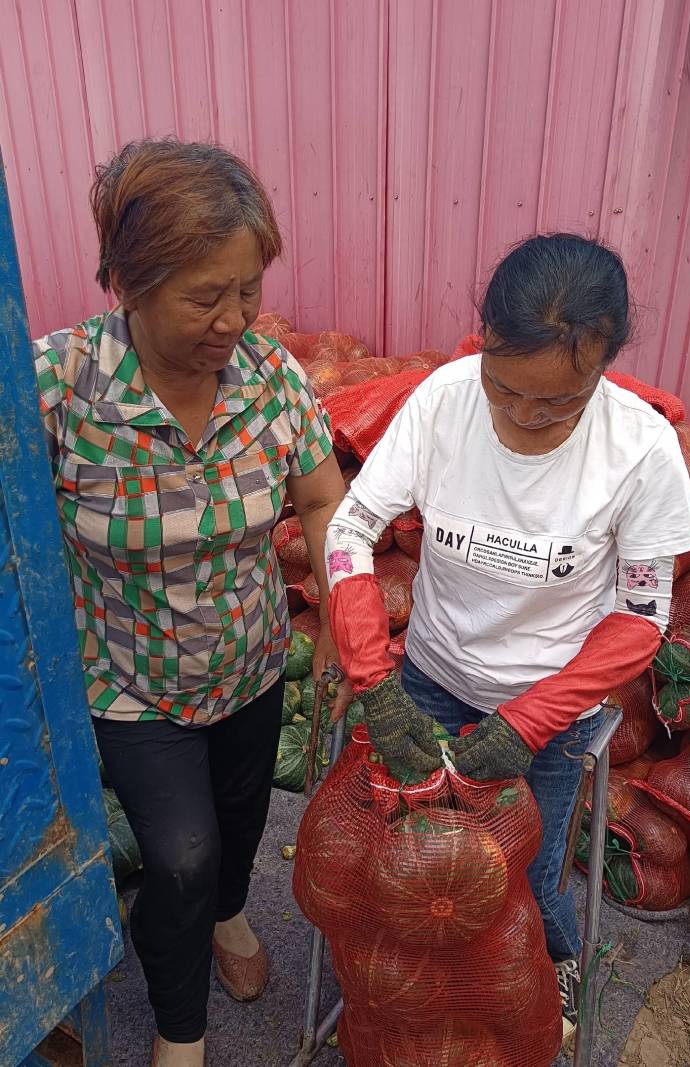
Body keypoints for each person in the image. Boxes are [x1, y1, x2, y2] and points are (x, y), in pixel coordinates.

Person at [324, 233, 690, 1027]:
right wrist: (374, 680)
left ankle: (553, 974)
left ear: (602, 367)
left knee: (520, 873)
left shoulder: (640, 448)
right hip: (428, 674)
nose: (526, 416)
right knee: (402, 862)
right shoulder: (444, 400)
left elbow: (640, 617)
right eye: (505, 389)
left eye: (558, 401)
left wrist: (531, 720)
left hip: (555, 703)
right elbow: (350, 529)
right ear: (483, 342)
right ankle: (422, 991)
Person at [33, 139, 347, 1067]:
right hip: (129, 679)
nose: (233, 319)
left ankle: (231, 911)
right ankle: (181, 1032)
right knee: (176, 853)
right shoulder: (57, 384)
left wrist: (337, 608)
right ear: (128, 281)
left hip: (250, 661)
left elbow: (323, 498)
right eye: (204, 296)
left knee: (242, 820)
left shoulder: (270, 375)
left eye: (247, 289)